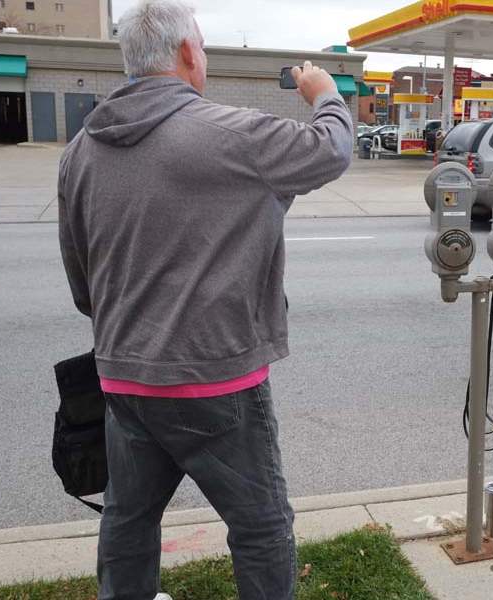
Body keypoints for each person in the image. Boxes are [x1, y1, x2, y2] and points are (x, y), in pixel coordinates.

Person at [56, 1, 353, 599]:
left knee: (128, 519)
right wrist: (325, 92)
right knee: (262, 526)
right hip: (215, 387)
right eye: (205, 49)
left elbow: (82, 281)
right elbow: (332, 148)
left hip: (124, 382)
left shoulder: (79, 152)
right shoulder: (229, 133)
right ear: (189, 53)